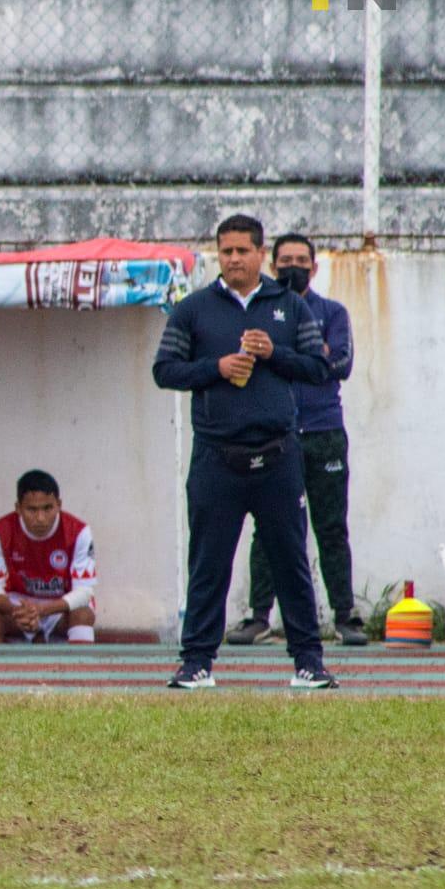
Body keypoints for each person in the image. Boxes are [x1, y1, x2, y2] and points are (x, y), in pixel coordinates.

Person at [152, 213, 335, 689]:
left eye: (242, 251)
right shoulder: (193, 308)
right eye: (226, 251)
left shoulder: (291, 307)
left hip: (278, 455)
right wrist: (216, 366)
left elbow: (319, 368)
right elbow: (165, 371)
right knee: (208, 561)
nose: (233, 259)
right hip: (216, 457)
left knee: (290, 559)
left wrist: (274, 353)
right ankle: (196, 663)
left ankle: (309, 663)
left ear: (261, 254)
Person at [228, 232, 364, 646]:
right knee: (268, 526)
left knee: (330, 525)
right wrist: (304, 356)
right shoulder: (263, 312)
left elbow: (338, 363)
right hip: (276, 435)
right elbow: (256, 363)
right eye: (285, 260)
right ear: (273, 266)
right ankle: (258, 616)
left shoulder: (333, 312)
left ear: (314, 267)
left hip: (324, 434)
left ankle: (345, 616)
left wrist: (295, 355)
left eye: (301, 260)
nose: (292, 267)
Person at [0, 470, 97, 644]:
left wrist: (43, 610)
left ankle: (82, 670)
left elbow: (85, 591)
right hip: (18, 609)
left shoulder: (78, 532)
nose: (41, 518)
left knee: (83, 614)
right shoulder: (0, 531)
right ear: (18, 508)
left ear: (58, 504)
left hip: (59, 608)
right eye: (32, 510)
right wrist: (18, 611)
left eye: (48, 508)